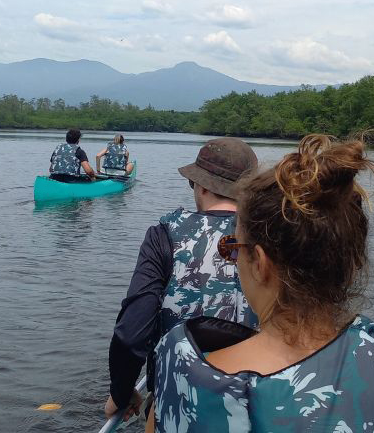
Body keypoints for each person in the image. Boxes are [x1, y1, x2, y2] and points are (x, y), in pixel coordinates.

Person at [148, 134, 374, 433]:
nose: (234, 259)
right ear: (353, 262)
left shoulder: (177, 378)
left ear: (259, 264)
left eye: (234, 248)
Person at [103, 138, 260, 421]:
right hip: (261, 401)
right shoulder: (276, 237)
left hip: (179, 402)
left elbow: (131, 334)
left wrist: (121, 392)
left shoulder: (164, 235)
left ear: (199, 185)